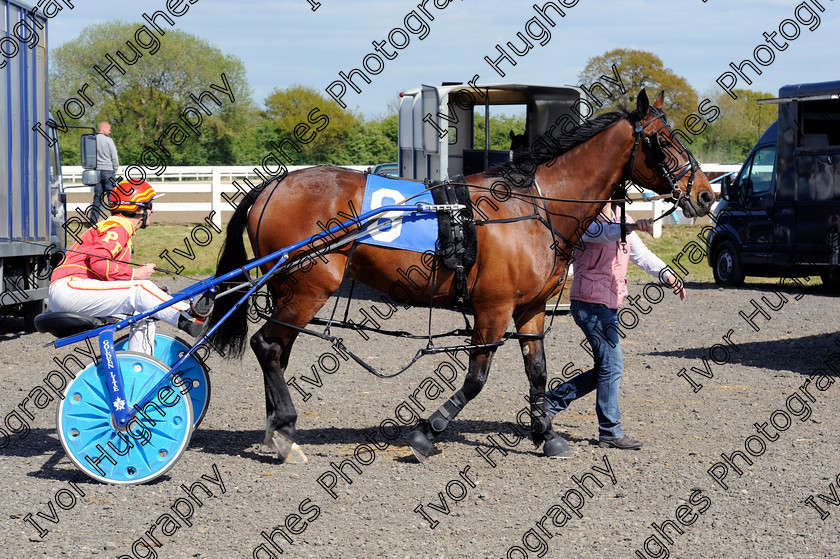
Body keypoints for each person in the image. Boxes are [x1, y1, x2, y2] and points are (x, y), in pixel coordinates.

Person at [545, 203, 685, 450]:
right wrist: (630, 227)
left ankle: (549, 405)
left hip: (609, 304)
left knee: (605, 367)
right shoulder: (587, 218)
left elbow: (640, 255)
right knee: (612, 366)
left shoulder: (622, 218)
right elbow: (602, 233)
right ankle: (610, 431)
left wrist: (668, 274)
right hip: (589, 303)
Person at [49, 180, 204, 354]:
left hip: (73, 291)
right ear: (137, 208)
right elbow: (99, 263)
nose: (152, 210)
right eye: (149, 205)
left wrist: (154, 296)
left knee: (145, 311)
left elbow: (106, 273)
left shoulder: (117, 227)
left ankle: (140, 365)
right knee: (140, 287)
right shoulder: (119, 226)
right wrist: (136, 274)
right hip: (70, 289)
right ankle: (186, 316)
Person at [94, 121, 120, 220]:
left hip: (97, 172)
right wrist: (115, 169)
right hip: (108, 170)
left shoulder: (92, 139)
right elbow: (114, 156)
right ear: (103, 129)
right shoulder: (108, 140)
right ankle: (115, 218)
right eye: (109, 129)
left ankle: (93, 221)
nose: (110, 132)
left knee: (98, 197)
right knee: (112, 196)